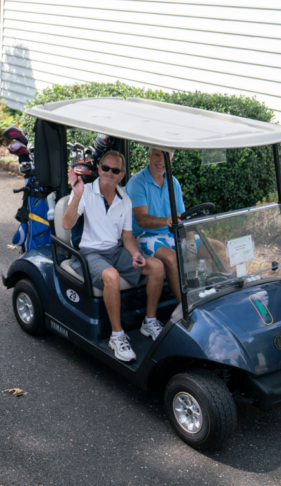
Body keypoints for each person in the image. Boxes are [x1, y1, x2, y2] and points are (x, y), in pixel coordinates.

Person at [62, 150, 165, 362]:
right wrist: (77, 195)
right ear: (98, 169)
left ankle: (150, 321)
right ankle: (117, 336)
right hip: (90, 252)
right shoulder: (85, 191)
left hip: (116, 250)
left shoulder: (124, 200)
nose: (109, 173)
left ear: (122, 175)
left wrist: (136, 254)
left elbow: (127, 236)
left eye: (115, 170)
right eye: (105, 168)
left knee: (156, 267)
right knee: (111, 276)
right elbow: (66, 224)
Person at [127, 147, 227, 307]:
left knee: (218, 247)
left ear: (171, 160)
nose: (161, 161)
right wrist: (166, 221)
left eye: (166, 157)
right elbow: (142, 219)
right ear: (149, 156)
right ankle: (189, 307)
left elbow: (181, 216)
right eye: (157, 155)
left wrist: (190, 242)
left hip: (171, 233)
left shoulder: (173, 182)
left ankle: (223, 297)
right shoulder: (137, 183)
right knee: (171, 257)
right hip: (146, 236)